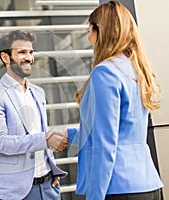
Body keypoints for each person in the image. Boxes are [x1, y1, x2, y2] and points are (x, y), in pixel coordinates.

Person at [64, 1, 163, 199]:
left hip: (118, 187)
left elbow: (106, 142)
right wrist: (69, 136)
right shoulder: (134, 69)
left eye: (90, 30)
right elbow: (123, 131)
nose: (88, 37)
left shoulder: (105, 72)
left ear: (101, 31)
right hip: (148, 184)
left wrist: (94, 196)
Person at [0, 30, 68, 200]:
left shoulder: (39, 92)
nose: (28, 58)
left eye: (30, 52)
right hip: (17, 193)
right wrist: (44, 139)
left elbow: (41, 132)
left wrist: (52, 168)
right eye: (21, 52)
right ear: (5, 57)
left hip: (49, 187)